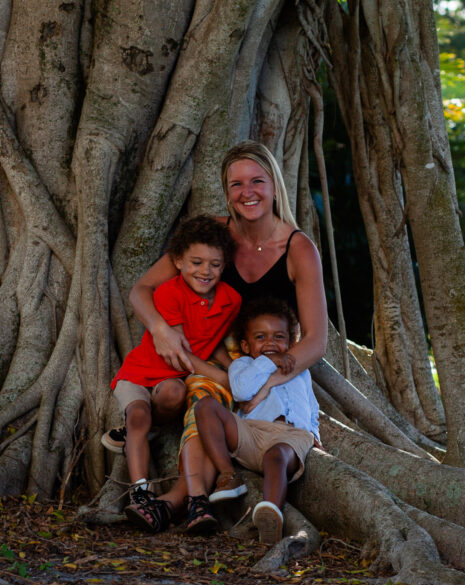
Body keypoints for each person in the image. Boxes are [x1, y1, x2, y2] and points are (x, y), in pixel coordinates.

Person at [123, 140, 328, 532]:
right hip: (210, 363)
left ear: (274, 185)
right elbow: (141, 291)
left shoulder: (298, 248)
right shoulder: (213, 238)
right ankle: (187, 501)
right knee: (204, 396)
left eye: (257, 181)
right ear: (226, 191)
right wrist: (161, 330)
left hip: (266, 370)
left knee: (219, 405)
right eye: (236, 184)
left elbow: (316, 341)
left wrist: (268, 382)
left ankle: (173, 503)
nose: (247, 192)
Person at [107, 215, 241, 532]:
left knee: (175, 393)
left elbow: (210, 340)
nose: (205, 271)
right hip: (141, 373)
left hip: (170, 383)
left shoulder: (231, 301)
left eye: (215, 265)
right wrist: (222, 378)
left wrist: (235, 366)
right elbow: (181, 354)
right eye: (196, 262)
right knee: (138, 414)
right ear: (178, 261)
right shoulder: (168, 293)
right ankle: (140, 491)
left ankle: (137, 433)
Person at [189, 298, 320, 543]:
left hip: (291, 437)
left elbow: (312, 407)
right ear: (246, 345)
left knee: (277, 456)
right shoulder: (242, 365)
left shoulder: (301, 369)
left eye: (278, 337)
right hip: (251, 432)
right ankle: (228, 475)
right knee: (206, 406)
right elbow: (241, 391)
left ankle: (271, 514)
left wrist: (315, 434)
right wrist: (268, 362)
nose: (270, 342)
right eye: (260, 337)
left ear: (290, 343)